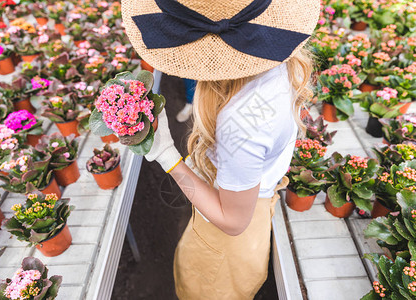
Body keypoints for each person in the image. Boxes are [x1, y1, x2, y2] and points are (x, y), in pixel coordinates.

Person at [123, 0, 319, 298]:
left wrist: (167, 156)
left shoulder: (243, 121)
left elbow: (232, 221)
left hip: (226, 246)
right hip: (250, 209)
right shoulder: (278, 55)